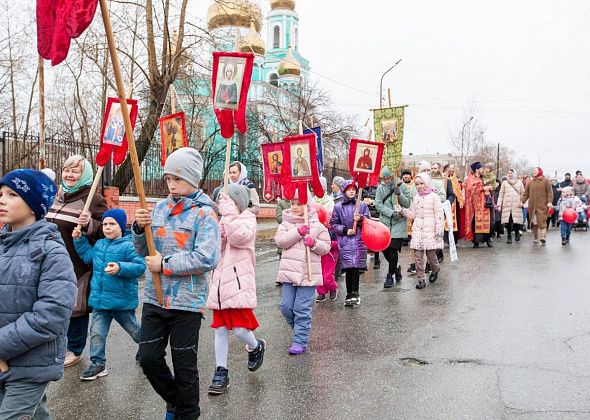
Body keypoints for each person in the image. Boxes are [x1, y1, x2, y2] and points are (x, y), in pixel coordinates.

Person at [133, 147, 221, 420]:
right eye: (168, 178)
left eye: (178, 179)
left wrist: (166, 265)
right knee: (148, 358)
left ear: (193, 180)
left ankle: (187, 413)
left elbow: (207, 258)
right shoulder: (158, 209)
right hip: (154, 299)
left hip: (187, 303)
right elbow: (142, 251)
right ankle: (176, 401)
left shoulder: (205, 214)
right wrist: (138, 229)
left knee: (185, 367)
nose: (171, 185)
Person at [0, 169, 77, 419]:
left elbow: (51, 316)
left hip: (31, 365)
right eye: (0, 193)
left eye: (12, 194)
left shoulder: (50, 252)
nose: (2, 199)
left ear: (34, 205)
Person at [45, 155, 108, 368]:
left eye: (75, 171)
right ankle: (55, 345)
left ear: (85, 175)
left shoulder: (93, 199)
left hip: (77, 263)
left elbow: (108, 230)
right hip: (50, 262)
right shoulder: (56, 196)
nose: (70, 175)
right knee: (53, 303)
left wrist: (89, 223)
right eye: (66, 170)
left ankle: (75, 349)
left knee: (76, 307)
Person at [72, 209, 145, 381]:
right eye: (105, 224)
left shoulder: (129, 245)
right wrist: (79, 240)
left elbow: (140, 267)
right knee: (97, 333)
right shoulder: (99, 245)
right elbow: (88, 257)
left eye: (112, 224)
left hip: (121, 302)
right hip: (100, 302)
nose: (107, 227)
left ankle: (148, 349)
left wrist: (120, 267)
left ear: (121, 226)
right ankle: (97, 363)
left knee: (135, 331)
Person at [206, 185, 265, 395]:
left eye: (228, 201)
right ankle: (221, 370)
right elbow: (215, 245)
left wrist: (229, 215)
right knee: (220, 329)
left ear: (237, 203)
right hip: (220, 285)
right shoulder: (225, 220)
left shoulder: (247, 219)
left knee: (240, 330)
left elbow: (239, 237)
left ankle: (256, 345)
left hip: (238, 284)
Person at [274, 192, 331, 354]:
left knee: (301, 308)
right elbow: (281, 241)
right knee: (286, 307)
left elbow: (326, 247)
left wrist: (314, 243)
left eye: (299, 203)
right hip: (289, 275)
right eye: (293, 203)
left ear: (308, 205)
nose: (295, 207)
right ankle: (300, 329)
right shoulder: (286, 224)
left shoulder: (317, 226)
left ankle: (300, 340)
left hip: (308, 275)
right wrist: (298, 232)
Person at [399, 172, 444, 290]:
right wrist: (402, 210)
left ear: (427, 183)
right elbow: (412, 214)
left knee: (431, 255)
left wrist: (439, 229)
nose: (419, 186)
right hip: (418, 230)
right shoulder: (416, 198)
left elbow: (439, 215)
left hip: (431, 230)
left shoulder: (435, 197)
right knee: (418, 256)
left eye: (421, 183)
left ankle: (435, 269)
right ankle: (421, 279)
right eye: (417, 184)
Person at [330, 180, 370, 306]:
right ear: (344, 191)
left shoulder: (362, 205)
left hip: (358, 241)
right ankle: (349, 294)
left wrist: (360, 220)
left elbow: (368, 222)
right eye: (349, 189)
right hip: (346, 241)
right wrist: (345, 230)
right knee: (348, 268)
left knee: (356, 268)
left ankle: (355, 293)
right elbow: (334, 224)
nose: (351, 191)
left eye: (353, 189)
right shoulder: (338, 207)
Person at [374, 167, 411, 288]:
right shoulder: (380, 188)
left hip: (398, 223)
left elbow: (407, 203)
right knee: (385, 250)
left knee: (393, 249)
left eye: (389, 178)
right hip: (385, 222)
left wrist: (399, 194)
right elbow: (378, 204)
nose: (387, 180)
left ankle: (390, 276)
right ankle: (396, 269)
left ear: (393, 176)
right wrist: (390, 213)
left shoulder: (402, 186)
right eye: (384, 178)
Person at [464, 162, 494, 248]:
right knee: (476, 222)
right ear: (477, 169)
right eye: (481, 169)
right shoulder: (471, 178)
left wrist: (491, 188)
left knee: (489, 222)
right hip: (476, 205)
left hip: (486, 204)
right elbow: (470, 189)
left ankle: (488, 239)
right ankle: (476, 242)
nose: (482, 170)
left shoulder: (485, 177)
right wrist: (482, 188)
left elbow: (492, 185)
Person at [521, 167, 553, 245]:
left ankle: (542, 237)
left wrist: (549, 202)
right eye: (533, 171)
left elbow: (550, 193)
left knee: (542, 222)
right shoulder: (531, 182)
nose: (534, 172)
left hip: (543, 206)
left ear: (540, 171)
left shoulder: (546, 181)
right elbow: (526, 193)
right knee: (534, 223)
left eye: (535, 170)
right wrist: (522, 201)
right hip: (532, 206)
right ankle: (535, 237)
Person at [431, 162, 455, 263]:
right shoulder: (427, 181)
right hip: (429, 210)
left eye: (435, 168)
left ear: (439, 169)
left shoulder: (446, 181)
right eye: (431, 168)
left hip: (441, 210)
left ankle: (439, 252)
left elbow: (451, 195)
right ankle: (432, 253)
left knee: (439, 231)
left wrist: (446, 203)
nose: (433, 170)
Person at [497, 169, 525, 244]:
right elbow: (501, 194)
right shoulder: (504, 183)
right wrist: (499, 204)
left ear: (514, 173)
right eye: (508, 173)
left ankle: (516, 233)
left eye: (511, 173)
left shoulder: (519, 182)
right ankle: (509, 235)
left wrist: (522, 202)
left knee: (516, 221)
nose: (509, 174)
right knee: (508, 221)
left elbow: (523, 194)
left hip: (517, 204)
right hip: (507, 205)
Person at [443, 163, 464, 244]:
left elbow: (458, 190)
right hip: (445, 200)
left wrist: (461, 200)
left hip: (454, 202)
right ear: (447, 168)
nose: (453, 169)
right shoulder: (443, 177)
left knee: (452, 221)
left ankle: (453, 239)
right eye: (452, 168)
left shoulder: (454, 179)